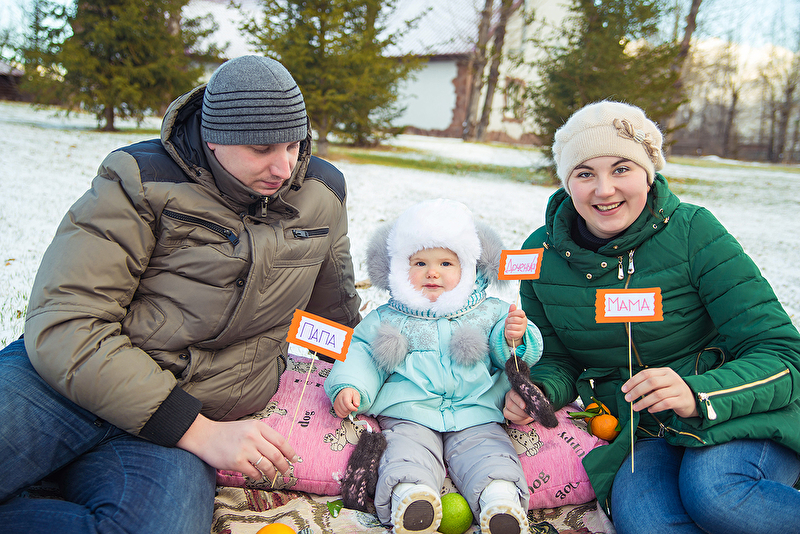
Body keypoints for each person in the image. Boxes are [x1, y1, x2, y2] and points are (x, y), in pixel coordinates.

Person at [0, 55, 361, 533]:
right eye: (262, 148)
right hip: (67, 386)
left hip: (183, 419)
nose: (284, 166)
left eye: (294, 145)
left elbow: (335, 318)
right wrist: (200, 433)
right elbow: (69, 321)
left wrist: (382, 370)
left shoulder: (322, 195)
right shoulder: (141, 180)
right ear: (214, 138)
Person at [507, 100, 800, 534]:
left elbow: (783, 354)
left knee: (714, 493)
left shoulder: (694, 232)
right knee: (649, 522)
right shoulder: (540, 253)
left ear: (648, 172)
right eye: (585, 174)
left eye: (621, 169)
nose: (604, 190)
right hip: (641, 430)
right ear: (567, 183)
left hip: (735, 409)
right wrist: (541, 391)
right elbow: (557, 357)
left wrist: (697, 393)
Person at [325, 198, 539, 534]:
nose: (432, 272)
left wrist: (515, 336)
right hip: (410, 412)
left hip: (476, 412)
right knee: (404, 450)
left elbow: (510, 356)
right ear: (400, 268)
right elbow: (361, 352)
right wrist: (351, 385)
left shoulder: (491, 311)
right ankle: (411, 497)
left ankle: (500, 500)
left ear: (467, 268)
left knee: (489, 451)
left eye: (446, 263)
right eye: (420, 262)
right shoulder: (388, 317)